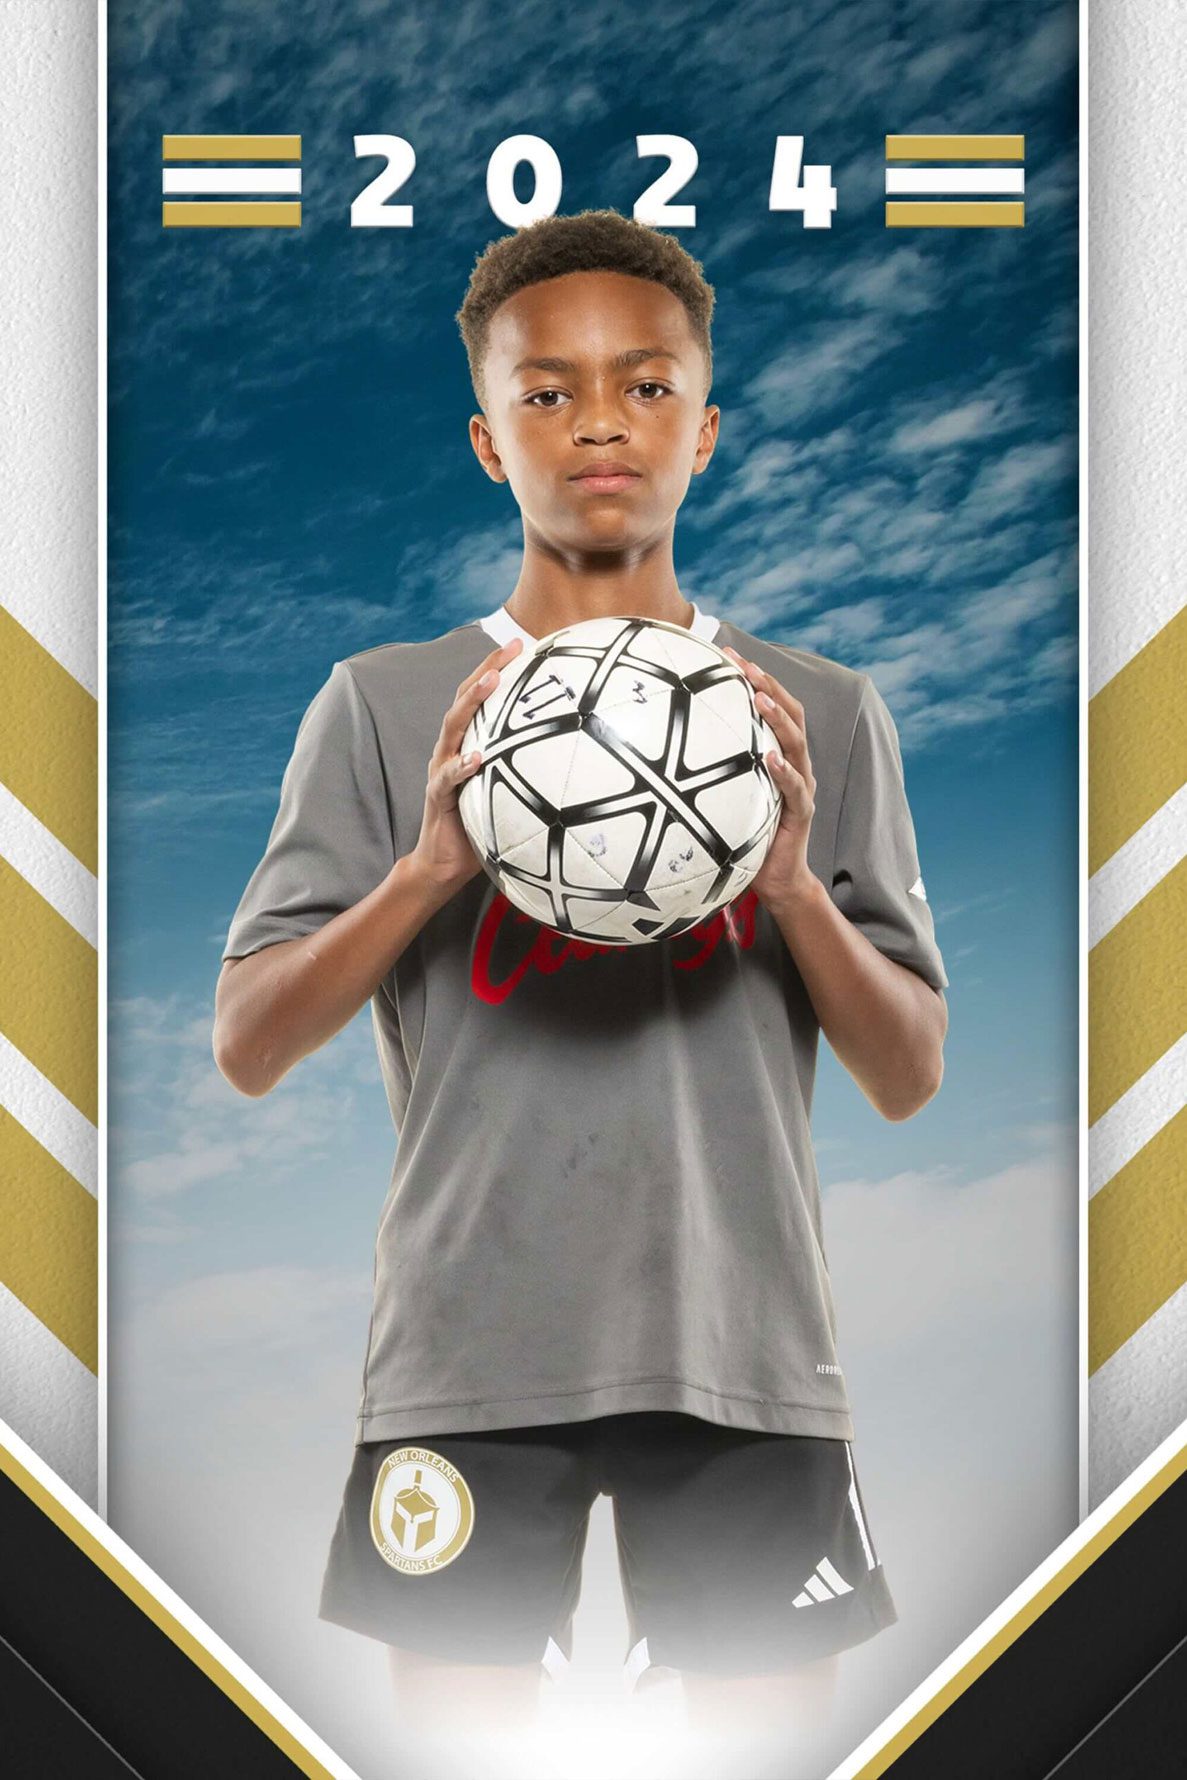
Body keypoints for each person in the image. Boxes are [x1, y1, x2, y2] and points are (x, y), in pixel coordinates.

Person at [212, 209, 948, 1761]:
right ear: (488, 442)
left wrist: (795, 882)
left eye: (647, 384)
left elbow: (908, 1071)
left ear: (707, 426)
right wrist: (427, 866)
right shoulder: (381, 701)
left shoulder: (820, 707)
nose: (600, 421)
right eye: (547, 392)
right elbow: (248, 1044)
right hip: (467, 1357)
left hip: (748, 1356)